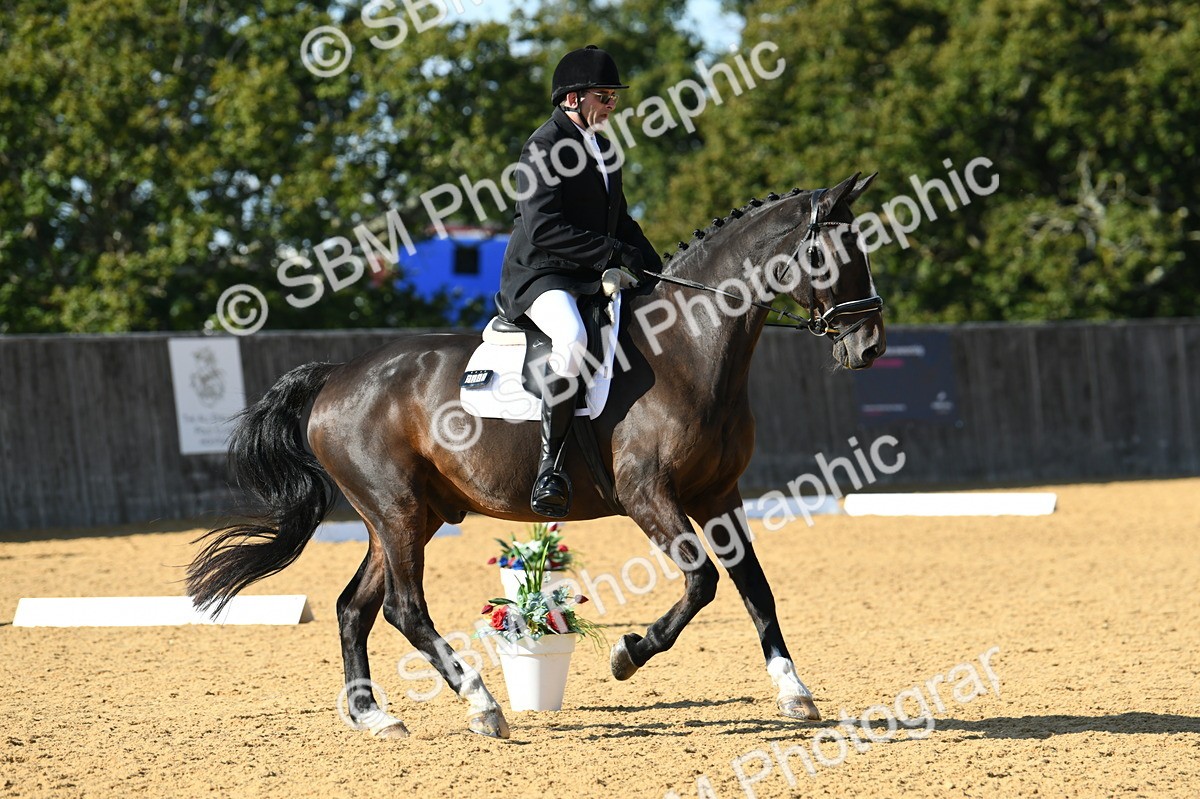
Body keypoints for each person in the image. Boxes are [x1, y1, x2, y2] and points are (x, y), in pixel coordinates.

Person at [495, 44, 661, 518]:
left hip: (587, 275)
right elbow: (543, 226)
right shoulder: (542, 146)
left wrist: (657, 269)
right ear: (573, 99)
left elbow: (621, 222)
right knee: (570, 337)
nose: (613, 105)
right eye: (604, 97)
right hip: (541, 274)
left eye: (613, 97)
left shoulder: (604, 148)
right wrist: (611, 253)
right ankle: (551, 466)